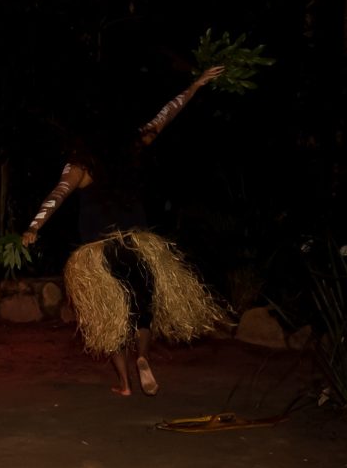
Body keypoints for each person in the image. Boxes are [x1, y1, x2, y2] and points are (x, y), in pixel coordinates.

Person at [23, 65, 229, 397]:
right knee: (142, 306)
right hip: (139, 245)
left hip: (99, 252)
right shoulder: (132, 149)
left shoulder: (80, 165)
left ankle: (123, 384)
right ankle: (144, 357)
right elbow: (166, 116)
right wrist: (195, 85)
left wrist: (33, 227)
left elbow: (57, 195)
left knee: (111, 318)